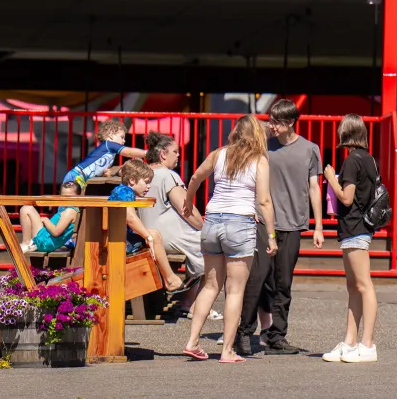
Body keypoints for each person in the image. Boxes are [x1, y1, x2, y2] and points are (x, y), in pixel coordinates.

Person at [180, 115, 278, 363]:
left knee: (211, 285)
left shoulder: (219, 154)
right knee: (234, 291)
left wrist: (188, 201)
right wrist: (272, 235)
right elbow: (264, 201)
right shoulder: (259, 161)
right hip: (240, 223)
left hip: (212, 221)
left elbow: (195, 178)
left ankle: (192, 342)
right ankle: (227, 351)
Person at [238, 99, 324, 356]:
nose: (271, 125)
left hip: (293, 222)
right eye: (270, 120)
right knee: (257, 278)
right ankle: (244, 332)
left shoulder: (310, 149)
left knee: (283, 282)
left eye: (276, 122)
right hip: (264, 221)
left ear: (290, 123)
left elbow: (314, 188)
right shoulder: (264, 146)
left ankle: (277, 336)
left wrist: (318, 225)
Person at [320, 114, 381, 363]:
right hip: (359, 227)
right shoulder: (369, 159)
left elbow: (346, 198)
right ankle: (350, 342)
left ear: (345, 133)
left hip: (354, 227)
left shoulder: (352, 161)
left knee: (362, 285)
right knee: (354, 287)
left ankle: (367, 344)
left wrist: (332, 178)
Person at [143, 131, 212, 318]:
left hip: (147, 233)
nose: (179, 155)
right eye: (175, 151)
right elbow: (185, 208)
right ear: (163, 154)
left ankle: (189, 301)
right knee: (212, 245)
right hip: (168, 235)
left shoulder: (144, 173)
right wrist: (202, 226)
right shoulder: (167, 175)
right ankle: (192, 303)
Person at [107, 159, 186, 293]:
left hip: (117, 237)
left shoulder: (121, 190)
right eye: (146, 182)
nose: (148, 186)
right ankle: (170, 280)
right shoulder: (126, 192)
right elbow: (130, 217)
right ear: (132, 180)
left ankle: (168, 279)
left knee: (155, 234)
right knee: (153, 235)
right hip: (119, 242)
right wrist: (147, 236)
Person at [61, 119, 147, 187]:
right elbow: (129, 152)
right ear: (110, 135)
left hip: (80, 178)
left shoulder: (109, 152)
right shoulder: (108, 145)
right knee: (69, 205)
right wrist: (145, 153)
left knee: (72, 205)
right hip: (76, 176)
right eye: (122, 137)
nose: (124, 141)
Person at [18, 180, 81, 254]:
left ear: (78, 196)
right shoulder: (70, 209)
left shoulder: (70, 211)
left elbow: (56, 232)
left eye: (69, 196)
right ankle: (27, 243)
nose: (65, 199)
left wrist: (45, 220)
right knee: (27, 208)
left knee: (26, 209)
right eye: (63, 196)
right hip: (46, 238)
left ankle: (26, 243)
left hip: (45, 242)